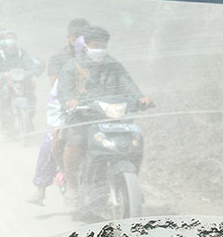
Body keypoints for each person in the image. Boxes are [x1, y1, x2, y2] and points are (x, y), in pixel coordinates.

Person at [57, 26, 152, 201]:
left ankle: (130, 184)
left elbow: (128, 84)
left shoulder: (114, 65)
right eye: (95, 45)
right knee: (75, 142)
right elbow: (63, 90)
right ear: (86, 46)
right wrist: (70, 101)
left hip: (113, 117)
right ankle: (71, 185)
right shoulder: (73, 66)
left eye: (103, 45)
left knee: (133, 142)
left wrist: (141, 98)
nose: (99, 49)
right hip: (82, 117)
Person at [28, 18, 90, 205]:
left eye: (84, 36)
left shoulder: (93, 56)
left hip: (91, 105)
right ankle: (41, 189)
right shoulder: (58, 57)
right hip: (63, 106)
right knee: (51, 140)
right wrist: (71, 100)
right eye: (77, 36)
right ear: (69, 37)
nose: (80, 40)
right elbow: (56, 84)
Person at [0, 30, 39, 135]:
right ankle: (6, 127)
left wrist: (32, 70)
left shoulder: (22, 52)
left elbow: (30, 64)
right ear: (4, 42)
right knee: (4, 98)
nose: (11, 40)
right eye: (8, 39)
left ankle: (28, 121)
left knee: (31, 96)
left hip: (22, 79)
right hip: (6, 80)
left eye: (12, 38)